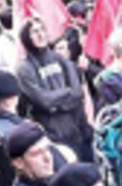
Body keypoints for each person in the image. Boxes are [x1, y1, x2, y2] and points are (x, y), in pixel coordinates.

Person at [16, 17, 93, 162]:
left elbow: (77, 93)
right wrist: (66, 94)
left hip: (76, 129)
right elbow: (42, 101)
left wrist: (56, 101)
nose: (40, 35)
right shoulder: (24, 68)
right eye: (34, 31)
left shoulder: (60, 59)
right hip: (52, 135)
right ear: (26, 36)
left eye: (42, 30)